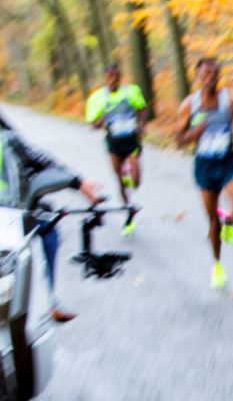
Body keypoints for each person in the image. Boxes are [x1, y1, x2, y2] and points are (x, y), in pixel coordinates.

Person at [0, 113, 104, 321]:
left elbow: (35, 157)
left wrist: (78, 182)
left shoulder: (7, 139)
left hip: (9, 219)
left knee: (46, 224)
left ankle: (47, 298)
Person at [175, 58, 233, 290]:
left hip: (227, 163)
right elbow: (178, 139)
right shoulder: (189, 105)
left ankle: (227, 222)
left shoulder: (230, 99)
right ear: (197, 77)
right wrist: (195, 131)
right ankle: (217, 264)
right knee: (211, 221)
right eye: (204, 74)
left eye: (213, 74)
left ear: (218, 75)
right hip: (205, 167)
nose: (209, 78)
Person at [84, 63, 147, 236]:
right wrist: (101, 120)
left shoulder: (131, 91)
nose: (113, 80)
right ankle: (129, 213)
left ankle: (130, 180)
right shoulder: (98, 98)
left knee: (136, 180)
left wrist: (141, 125)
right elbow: (93, 124)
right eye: (109, 77)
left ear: (120, 77)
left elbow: (142, 108)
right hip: (113, 143)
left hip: (131, 141)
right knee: (119, 180)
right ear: (105, 78)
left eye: (116, 76)